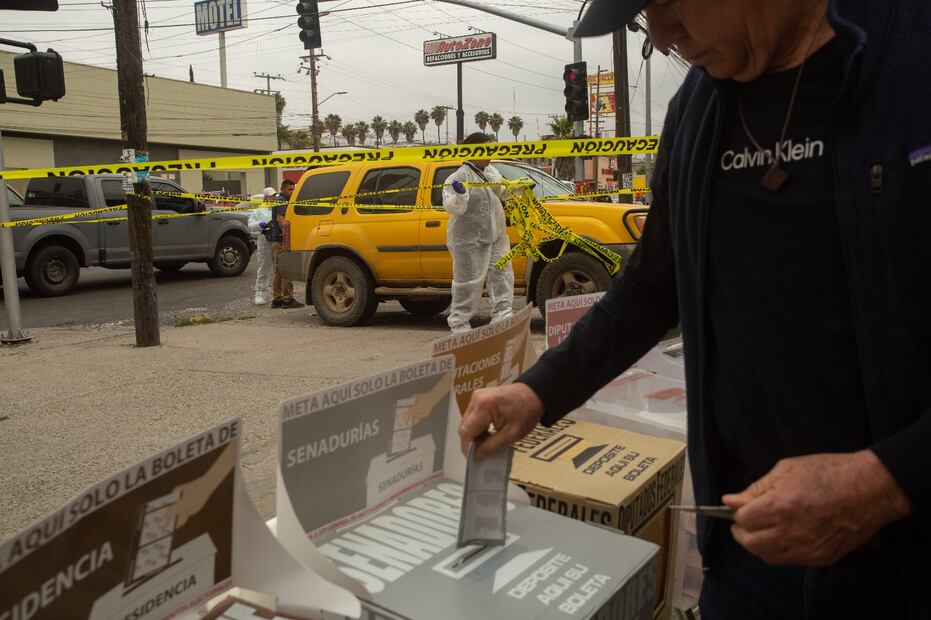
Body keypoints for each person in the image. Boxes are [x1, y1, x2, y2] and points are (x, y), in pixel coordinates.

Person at [458, 1, 930, 619]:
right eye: (643, 14)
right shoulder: (700, 111)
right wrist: (538, 391)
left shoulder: (912, 64)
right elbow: (651, 287)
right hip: (751, 561)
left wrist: (886, 480)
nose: (661, 33)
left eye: (670, 0)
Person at [442, 132, 514, 333]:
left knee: (502, 276)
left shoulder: (491, 172)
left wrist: (518, 188)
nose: (489, 153)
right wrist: (461, 195)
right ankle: (459, 325)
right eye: (485, 149)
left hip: (496, 236)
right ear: (472, 151)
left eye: (491, 149)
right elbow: (452, 206)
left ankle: (503, 320)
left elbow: (502, 191)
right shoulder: (458, 177)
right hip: (468, 240)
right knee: (468, 282)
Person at [268, 179, 304, 309]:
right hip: (282, 240)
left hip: (276, 241)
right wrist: (288, 233)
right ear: (283, 189)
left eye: (293, 189)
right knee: (287, 269)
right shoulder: (282, 200)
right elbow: (281, 220)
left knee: (278, 271)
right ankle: (288, 299)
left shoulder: (280, 200)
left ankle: (277, 299)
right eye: (290, 189)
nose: (292, 191)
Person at [247, 187, 276, 305]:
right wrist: (260, 224)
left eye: (274, 195)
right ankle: (259, 293)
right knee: (264, 266)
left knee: (278, 267)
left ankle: (276, 293)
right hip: (264, 238)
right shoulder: (259, 211)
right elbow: (250, 225)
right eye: (271, 196)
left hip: (276, 238)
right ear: (265, 197)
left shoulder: (277, 208)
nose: (273, 197)